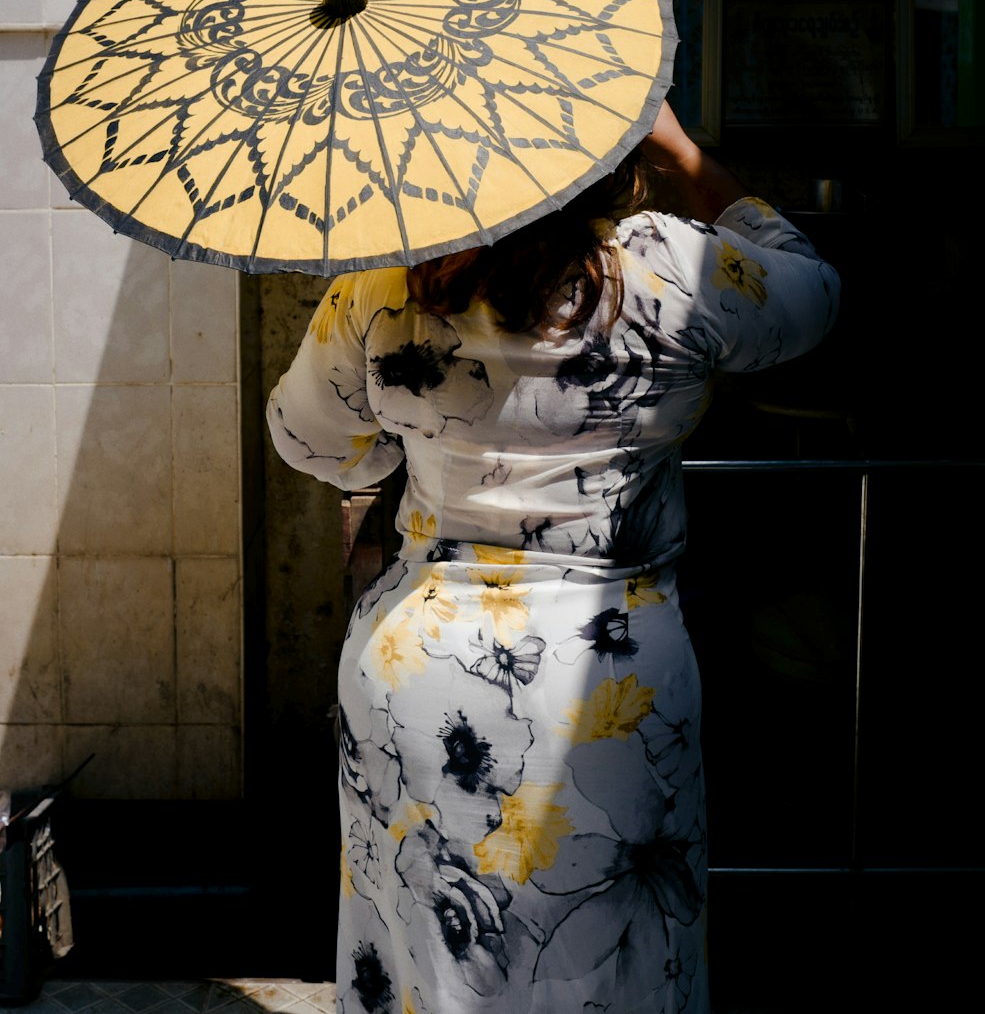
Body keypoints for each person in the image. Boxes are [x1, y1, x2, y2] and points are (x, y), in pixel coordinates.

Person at [267, 99, 840, 1014]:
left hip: (421, 667)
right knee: (621, 965)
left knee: (433, 964)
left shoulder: (383, 286)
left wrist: (393, 443)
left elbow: (307, 439)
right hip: (615, 670)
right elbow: (814, 291)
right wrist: (687, 155)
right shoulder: (667, 267)